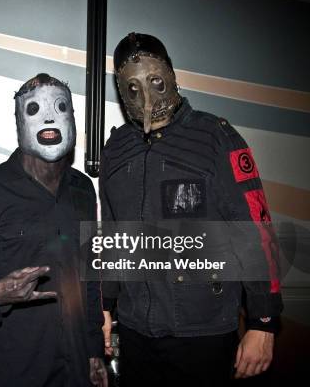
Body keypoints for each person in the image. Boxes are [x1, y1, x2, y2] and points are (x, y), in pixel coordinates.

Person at [99, 33, 283, 384]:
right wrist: (104, 306)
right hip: (136, 331)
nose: (146, 94)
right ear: (121, 90)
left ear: (170, 74)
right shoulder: (117, 149)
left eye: (154, 79)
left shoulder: (215, 137)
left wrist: (263, 323)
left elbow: (255, 229)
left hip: (204, 332)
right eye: (132, 87)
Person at [0, 73, 107, 387]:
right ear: (20, 121)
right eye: (34, 110)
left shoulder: (84, 189)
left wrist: (93, 347)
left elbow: (90, 275)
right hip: (14, 368)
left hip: (75, 365)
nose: (48, 117)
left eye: (60, 107)